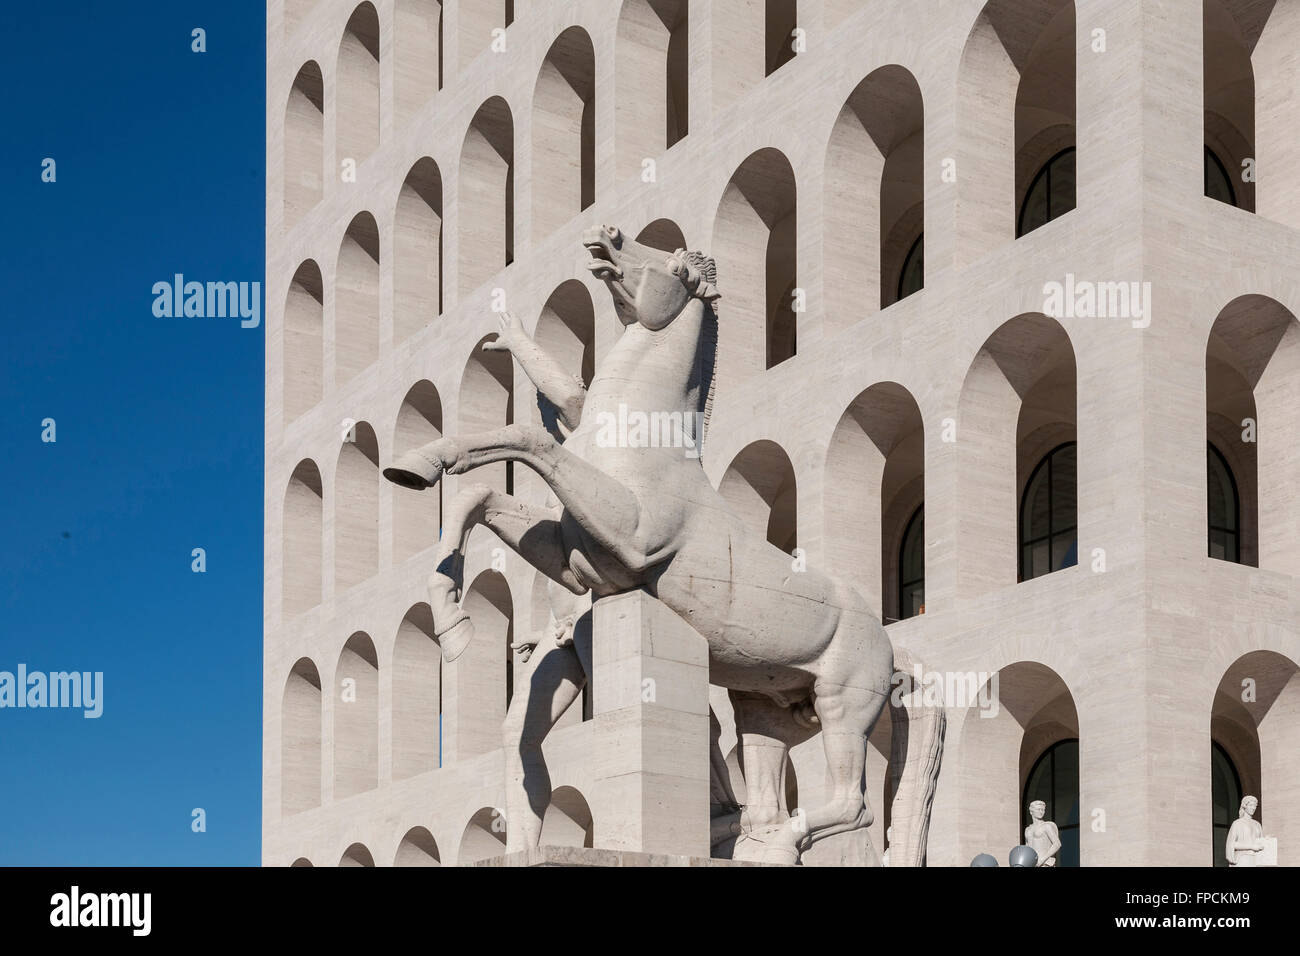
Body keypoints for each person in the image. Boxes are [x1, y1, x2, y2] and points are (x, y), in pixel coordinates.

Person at [1225, 796, 1265, 867]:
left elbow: (1261, 843)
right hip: (1243, 858)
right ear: (1244, 806)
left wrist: (1267, 841)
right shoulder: (1237, 823)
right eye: (1251, 805)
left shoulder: (1257, 824)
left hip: (1256, 859)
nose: (1253, 808)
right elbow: (1232, 844)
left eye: (1255, 806)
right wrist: (1251, 846)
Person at [1025, 799, 1061, 867]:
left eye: (1043, 810)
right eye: (1038, 809)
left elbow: (1057, 844)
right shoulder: (1028, 830)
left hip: (1045, 863)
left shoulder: (1046, 826)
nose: (1041, 812)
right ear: (1031, 812)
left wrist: (1042, 860)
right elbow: (1027, 848)